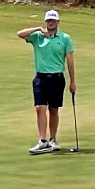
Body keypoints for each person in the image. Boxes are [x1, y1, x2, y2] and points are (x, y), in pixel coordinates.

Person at [16, 9, 76, 153]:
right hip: (40, 78)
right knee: (40, 107)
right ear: (45, 22)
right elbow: (20, 34)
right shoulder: (37, 37)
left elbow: (70, 61)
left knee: (53, 109)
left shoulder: (65, 38)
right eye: (48, 20)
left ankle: (53, 139)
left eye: (53, 20)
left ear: (58, 22)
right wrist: (38, 28)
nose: (51, 23)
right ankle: (42, 141)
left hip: (57, 78)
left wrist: (72, 81)